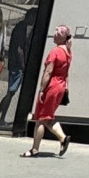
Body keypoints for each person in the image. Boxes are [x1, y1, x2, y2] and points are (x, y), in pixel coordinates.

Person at [27, 25, 72, 156]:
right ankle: (63, 138)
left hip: (51, 87)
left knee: (40, 119)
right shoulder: (68, 52)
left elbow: (48, 72)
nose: (54, 34)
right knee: (47, 116)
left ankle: (35, 149)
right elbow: (66, 72)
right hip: (61, 86)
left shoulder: (55, 52)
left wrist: (42, 89)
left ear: (63, 36)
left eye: (57, 32)